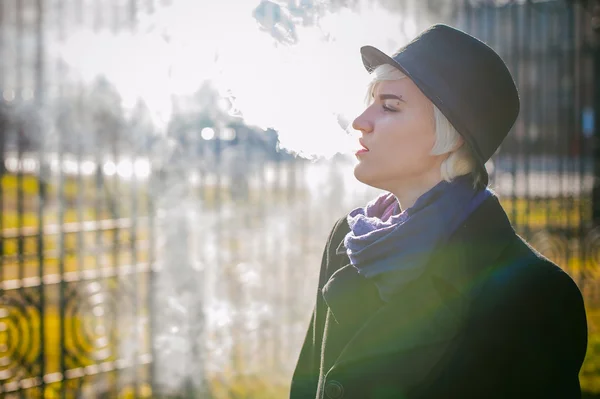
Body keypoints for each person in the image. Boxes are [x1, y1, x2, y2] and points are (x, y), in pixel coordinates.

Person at [289, 24, 587, 399]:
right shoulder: (348, 240)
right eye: (371, 101)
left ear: (453, 135)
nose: (361, 121)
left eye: (389, 106)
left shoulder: (534, 293)